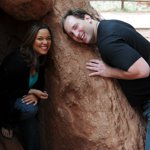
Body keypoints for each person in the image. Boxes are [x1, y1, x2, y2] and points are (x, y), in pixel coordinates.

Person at [61, 8, 150, 150]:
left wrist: (109, 71)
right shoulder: (110, 25)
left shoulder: (107, 43)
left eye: (76, 27)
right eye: (72, 34)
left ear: (87, 18)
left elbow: (143, 70)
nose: (77, 34)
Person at [0, 22, 52, 150]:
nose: (45, 42)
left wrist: (36, 95)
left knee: (31, 120)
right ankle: (8, 123)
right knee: (30, 110)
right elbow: (3, 91)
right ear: (31, 40)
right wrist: (30, 91)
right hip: (5, 102)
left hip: (20, 98)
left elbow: (40, 83)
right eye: (40, 38)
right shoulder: (18, 61)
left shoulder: (40, 58)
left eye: (48, 38)